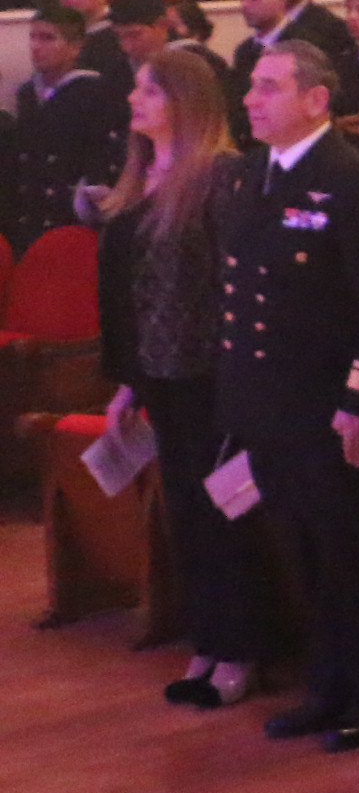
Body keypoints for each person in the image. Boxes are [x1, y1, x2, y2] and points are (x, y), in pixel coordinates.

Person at [204, 43, 359, 752]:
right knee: (299, 548)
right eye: (249, 88)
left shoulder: (353, 180)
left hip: (328, 404)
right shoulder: (247, 176)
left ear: (315, 99)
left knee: (348, 549)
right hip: (267, 401)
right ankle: (327, 684)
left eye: (268, 88)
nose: (251, 100)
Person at [99, 49, 258, 711]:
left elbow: (239, 284)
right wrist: (127, 382)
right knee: (188, 517)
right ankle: (207, 638)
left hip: (211, 375)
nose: (136, 100)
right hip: (160, 375)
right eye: (136, 89)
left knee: (227, 514)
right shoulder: (139, 180)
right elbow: (127, 295)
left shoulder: (221, 176)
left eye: (151, 91)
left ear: (185, 102)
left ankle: (242, 646)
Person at [8, 7, 124, 245]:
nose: (36, 46)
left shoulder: (95, 93)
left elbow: (99, 157)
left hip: (70, 222)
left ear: (76, 46)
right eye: (33, 36)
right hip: (29, 218)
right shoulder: (27, 93)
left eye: (48, 38)